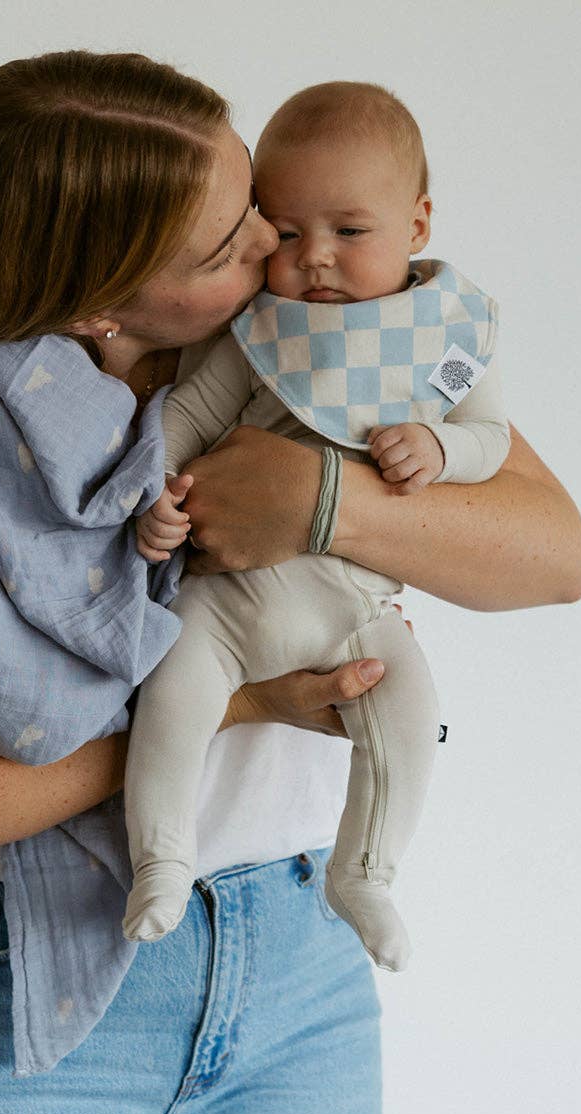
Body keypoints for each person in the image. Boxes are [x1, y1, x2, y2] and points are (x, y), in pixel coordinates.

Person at [0, 50, 581, 1114]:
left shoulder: (317, 332)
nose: (276, 243)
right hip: (2, 981)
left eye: (251, 198)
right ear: (100, 304)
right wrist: (238, 705)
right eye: (226, 243)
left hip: (291, 959)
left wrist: (322, 499)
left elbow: (555, 555)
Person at [123, 82, 512, 972]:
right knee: (172, 698)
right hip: (226, 603)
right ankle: (162, 859)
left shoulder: (446, 338)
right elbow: (189, 412)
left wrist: (441, 449)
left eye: (350, 230)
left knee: (410, 707)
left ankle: (365, 870)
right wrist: (156, 491)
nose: (317, 260)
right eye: (288, 233)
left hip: (354, 613)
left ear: (418, 224)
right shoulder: (264, 330)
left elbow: (489, 436)